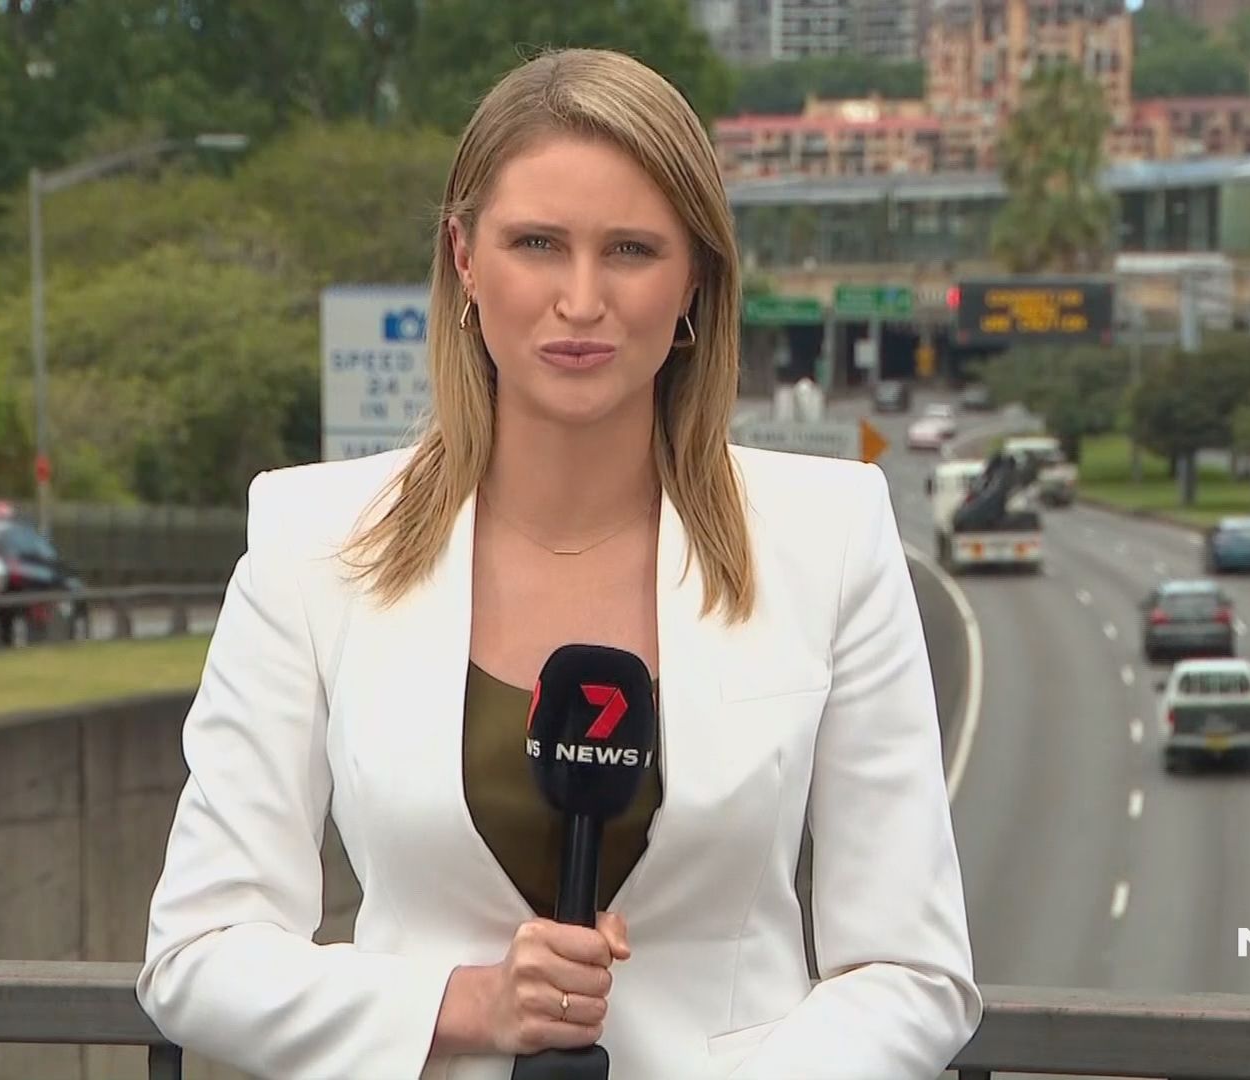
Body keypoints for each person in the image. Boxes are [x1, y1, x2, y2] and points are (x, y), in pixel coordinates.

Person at [135, 47, 981, 1080]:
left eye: (631, 250)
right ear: (464, 257)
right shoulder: (311, 540)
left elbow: (911, 971)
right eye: (537, 243)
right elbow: (198, 952)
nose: (581, 299)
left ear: (694, 279)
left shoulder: (830, 536)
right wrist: (461, 1005)